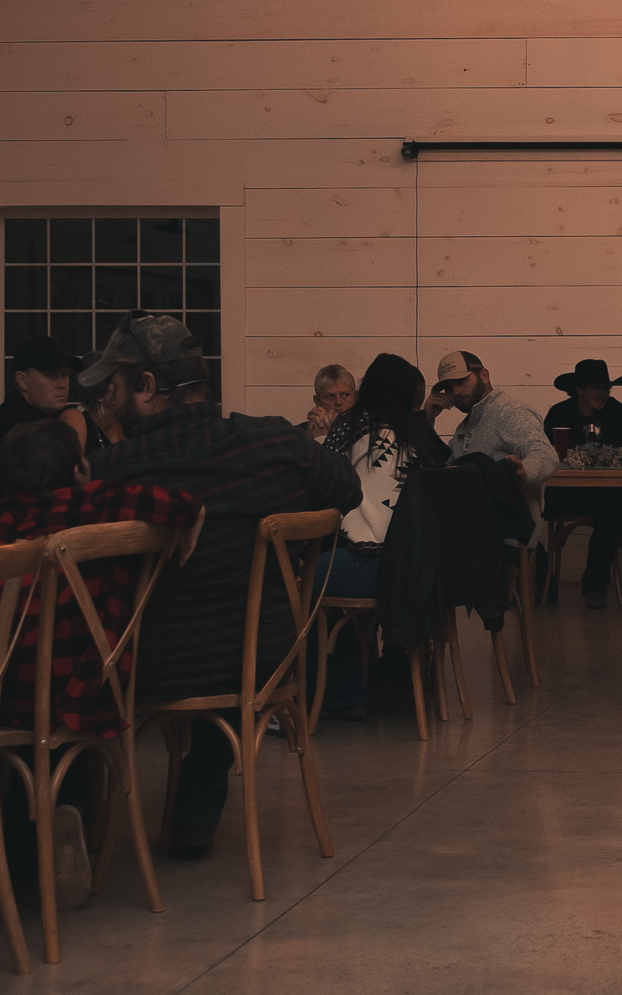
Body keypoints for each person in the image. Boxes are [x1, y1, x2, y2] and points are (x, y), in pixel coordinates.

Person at [82, 315, 359, 859]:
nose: (105, 405)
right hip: (263, 658)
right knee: (235, 637)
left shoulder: (110, 469)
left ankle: (75, 822)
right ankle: (197, 803)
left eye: (111, 390)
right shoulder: (272, 442)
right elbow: (345, 489)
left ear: (146, 387)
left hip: (143, 666)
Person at [0, 417, 198, 905]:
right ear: (79, 468)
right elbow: (178, 505)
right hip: (85, 687)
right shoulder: (97, 505)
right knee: (43, 710)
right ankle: (55, 818)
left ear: (3, 478)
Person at [317, 353, 451, 720]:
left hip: (376, 566)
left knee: (292, 579)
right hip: (424, 568)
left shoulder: (353, 428)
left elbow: (321, 485)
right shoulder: (416, 436)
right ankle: (389, 671)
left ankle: (343, 693)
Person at [0, 338, 98, 515]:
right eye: (51, 375)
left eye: (65, 375)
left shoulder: (32, 416)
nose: (62, 384)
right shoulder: (22, 426)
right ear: (22, 381)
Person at [542, 359, 622, 610]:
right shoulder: (558, 414)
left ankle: (595, 586)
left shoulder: (618, 413)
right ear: (579, 389)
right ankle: (542, 584)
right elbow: (546, 453)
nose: (603, 394)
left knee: (611, 510)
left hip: (604, 491)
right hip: (566, 492)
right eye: (596, 388)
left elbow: (617, 454)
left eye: (606, 388)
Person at [429, 349, 558, 517]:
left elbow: (545, 454)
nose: (455, 392)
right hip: (471, 534)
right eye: (447, 388)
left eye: (461, 381)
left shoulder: (510, 412)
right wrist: (426, 419)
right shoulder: (465, 426)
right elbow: (441, 472)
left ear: (484, 376)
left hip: (507, 538)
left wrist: (523, 472)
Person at [302, 364, 356, 441]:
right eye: (330, 396)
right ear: (317, 401)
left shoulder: (369, 430)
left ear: (355, 397)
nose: (338, 402)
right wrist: (309, 437)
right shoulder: (299, 433)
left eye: (345, 395)